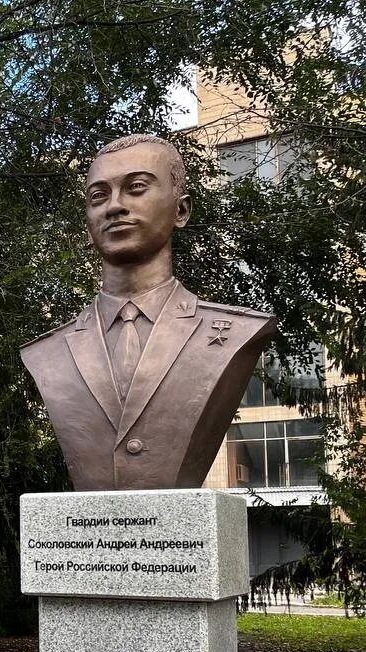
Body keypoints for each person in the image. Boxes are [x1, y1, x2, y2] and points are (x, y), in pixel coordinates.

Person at [21, 134, 276, 490]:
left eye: (136, 187)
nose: (114, 206)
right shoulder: (47, 353)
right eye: (99, 196)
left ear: (181, 210)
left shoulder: (236, 333)